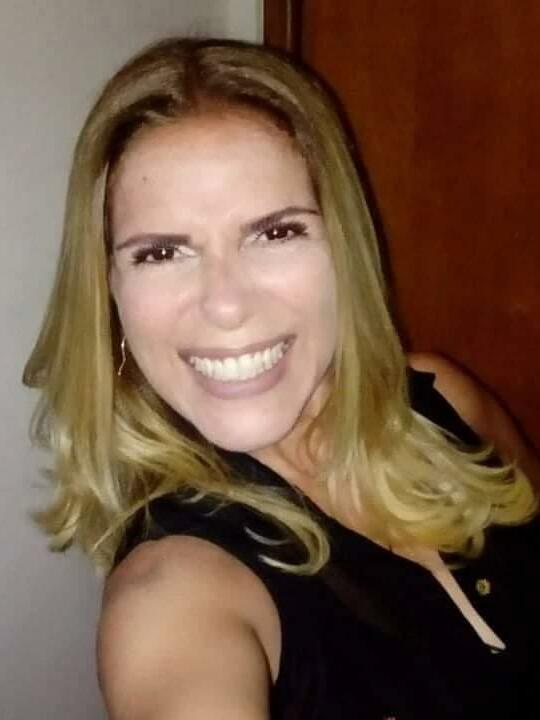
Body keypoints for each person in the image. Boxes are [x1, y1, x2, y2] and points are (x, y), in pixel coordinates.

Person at [23, 37, 540, 719]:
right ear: (108, 292)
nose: (226, 304)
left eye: (275, 233)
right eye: (162, 252)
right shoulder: (175, 592)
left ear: (344, 248)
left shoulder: (445, 400)